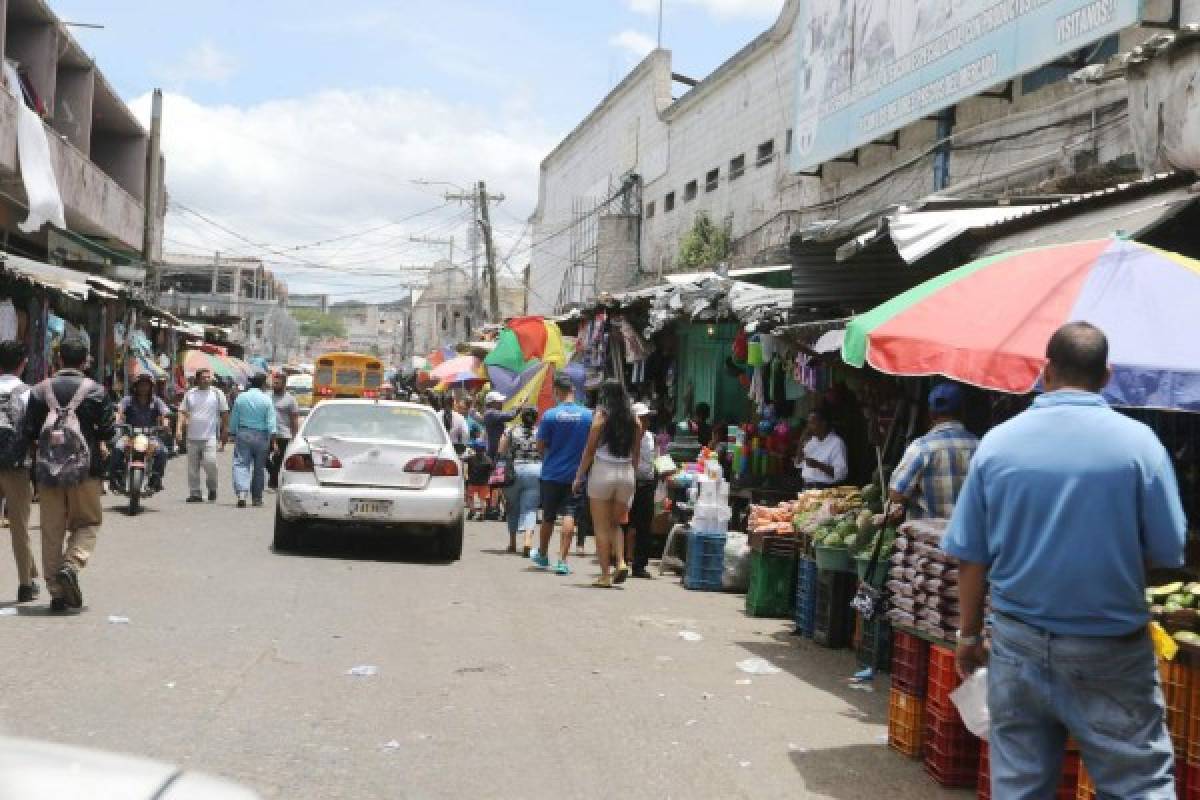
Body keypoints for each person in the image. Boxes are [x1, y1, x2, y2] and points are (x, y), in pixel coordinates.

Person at [943, 322, 1186, 799]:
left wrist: (969, 636)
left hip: (1017, 644)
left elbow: (971, 558)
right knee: (1138, 784)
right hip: (1111, 647)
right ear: (1107, 376)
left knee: (1021, 787)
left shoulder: (998, 444)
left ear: (1045, 371)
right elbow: (1167, 551)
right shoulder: (1140, 446)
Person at [23, 335, 115, 613]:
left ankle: (57, 595)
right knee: (88, 523)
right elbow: (109, 431)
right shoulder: (97, 391)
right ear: (85, 361)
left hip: (48, 474)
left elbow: (28, 431)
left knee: (51, 532)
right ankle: (72, 563)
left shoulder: (39, 391)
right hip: (86, 473)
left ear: (58, 359)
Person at [574, 380, 640, 588]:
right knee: (616, 523)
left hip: (603, 472)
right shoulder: (634, 419)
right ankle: (620, 561)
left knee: (601, 527)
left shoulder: (601, 417)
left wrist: (578, 477)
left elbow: (589, 451)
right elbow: (636, 454)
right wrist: (633, 478)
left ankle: (604, 575)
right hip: (626, 473)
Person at [888, 383, 979, 519]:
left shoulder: (921, 448)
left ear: (931, 414)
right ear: (963, 411)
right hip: (968, 536)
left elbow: (896, 494)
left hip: (928, 537)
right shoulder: (980, 446)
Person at [534, 373, 592, 575]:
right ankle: (562, 561)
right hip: (576, 475)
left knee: (548, 517)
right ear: (573, 391)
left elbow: (540, 446)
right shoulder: (587, 416)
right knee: (570, 515)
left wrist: (550, 456)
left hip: (551, 473)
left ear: (556, 391)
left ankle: (542, 554)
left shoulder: (549, 415)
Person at [0, 341, 37, 602]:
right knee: (19, 527)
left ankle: (30, 575)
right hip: (17, 467)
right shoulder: (29, 393)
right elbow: (35, 433)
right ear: (23, 363)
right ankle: (25, 585)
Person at [109, 373, 170, 493]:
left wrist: (165, 423)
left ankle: (155, 480)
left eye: (146, 385)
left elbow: (165, 414)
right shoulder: (127, 400)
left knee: (163, 451)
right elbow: (119, 411)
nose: (144, 387)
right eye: (141, 385)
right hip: (130, 435)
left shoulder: (157, 401)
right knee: (117, 448)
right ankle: (117, 479)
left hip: (150, 436)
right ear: (136, 386)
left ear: (151, 387)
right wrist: (117, 419)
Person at [177, 367, 229, 503]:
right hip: (192, 437)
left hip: (210, 437)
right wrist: (179, 430)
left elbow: (224, 413)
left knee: (211, 463)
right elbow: (182, 412)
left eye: (208, 377)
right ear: (198, 379)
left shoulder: (217, 393)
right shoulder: (190, 394)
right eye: (204, 377)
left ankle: (212, 488)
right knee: (192, 468)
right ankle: (195, 493)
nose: (207, 379)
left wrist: (225, 430)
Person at [226, 372, 276, 508]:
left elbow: (234, 417)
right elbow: (271, 422)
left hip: (244, 434)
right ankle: (257, 498)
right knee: (259, 469)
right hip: (262, 436)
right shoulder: (267, 399)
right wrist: (273, 440)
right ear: (263, 384)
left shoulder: (241, 397)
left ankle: (242, 493)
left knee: (241, 464)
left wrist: (232, 432)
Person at [498, 404, 541, 555]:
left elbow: (501, 451)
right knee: (530, 508)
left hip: (513, 471)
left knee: (512, 507)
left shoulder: (510, 430)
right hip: (535, 471)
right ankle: (528, 540)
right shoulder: (540, 431)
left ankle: (512, 543)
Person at [626, 402, 658, 579]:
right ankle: (620, 560)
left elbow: (656, 458)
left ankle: (639, 565)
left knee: (644, 526)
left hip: (646, 485)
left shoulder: (651, 438)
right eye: (642, 418)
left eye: (647, 419)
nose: (645, 422)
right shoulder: (626, 437)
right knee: (624, 524)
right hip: (629, 483)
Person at [795, 409, 847, 487]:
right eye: (808, 423)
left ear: (823, 424)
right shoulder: (810, 441)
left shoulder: (837, 443)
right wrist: (801, 441)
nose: (808, 427)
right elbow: (798, 463)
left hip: (825, 489)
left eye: (812, 423)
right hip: (807, 487)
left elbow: (841, 474)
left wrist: (818, 465)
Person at [267, 371, 300, 491]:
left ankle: (273, 483)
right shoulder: (267, 396)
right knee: (262, 457)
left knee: (278, 460)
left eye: (277, 383)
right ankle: (273, 475)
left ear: (284, 384)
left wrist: (295, 436)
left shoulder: (290, 399)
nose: (274, 385)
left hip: (283, 435)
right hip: (267, 433)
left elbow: (294, 419)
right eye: (273, 383)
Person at [463, 437, 493, 521]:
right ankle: (482, 513)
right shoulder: (488, 460)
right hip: (484, 483)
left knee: (470, 497)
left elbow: (462, 460)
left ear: (475, 449)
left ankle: (472, 511)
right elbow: (492, 469)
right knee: (482, 499)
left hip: (472, 482)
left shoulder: (471, 458)